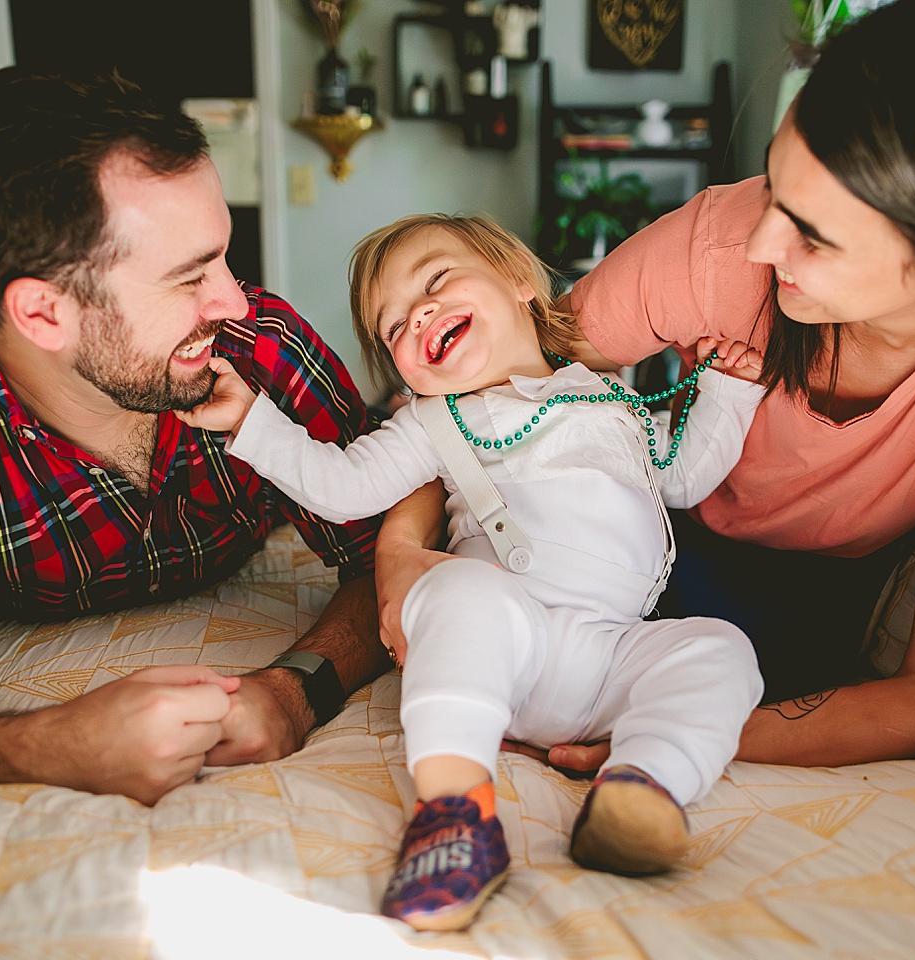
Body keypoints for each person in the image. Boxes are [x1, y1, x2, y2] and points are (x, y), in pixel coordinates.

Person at [375, 0, 915, 772]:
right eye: (774, 184)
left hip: (828, 604)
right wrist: (399, 551)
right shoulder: (723, 242)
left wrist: (672, 737)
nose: (764, 244)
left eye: (814, 233)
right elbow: (484, 397)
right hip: (664, 543)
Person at [0, 68, 390, 806]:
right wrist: (50, 745)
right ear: (43, 315)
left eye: (223, 255)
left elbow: (395, 551)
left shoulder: (256, 345)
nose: (234, 300)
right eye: (188, 278)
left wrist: (295, 690)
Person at [181, 213, 766, 930]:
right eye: (392, 326)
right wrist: (252, 424)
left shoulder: (607, 391)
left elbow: (682, 476)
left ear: (520, 282)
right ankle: (454, 808)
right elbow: (342, 487)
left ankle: (643, 787)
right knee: (458, 587)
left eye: (435, 280)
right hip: (500, 646)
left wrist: (733, 392)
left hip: (610, 651)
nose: (416, 313)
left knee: (719, 648)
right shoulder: (437, 420)